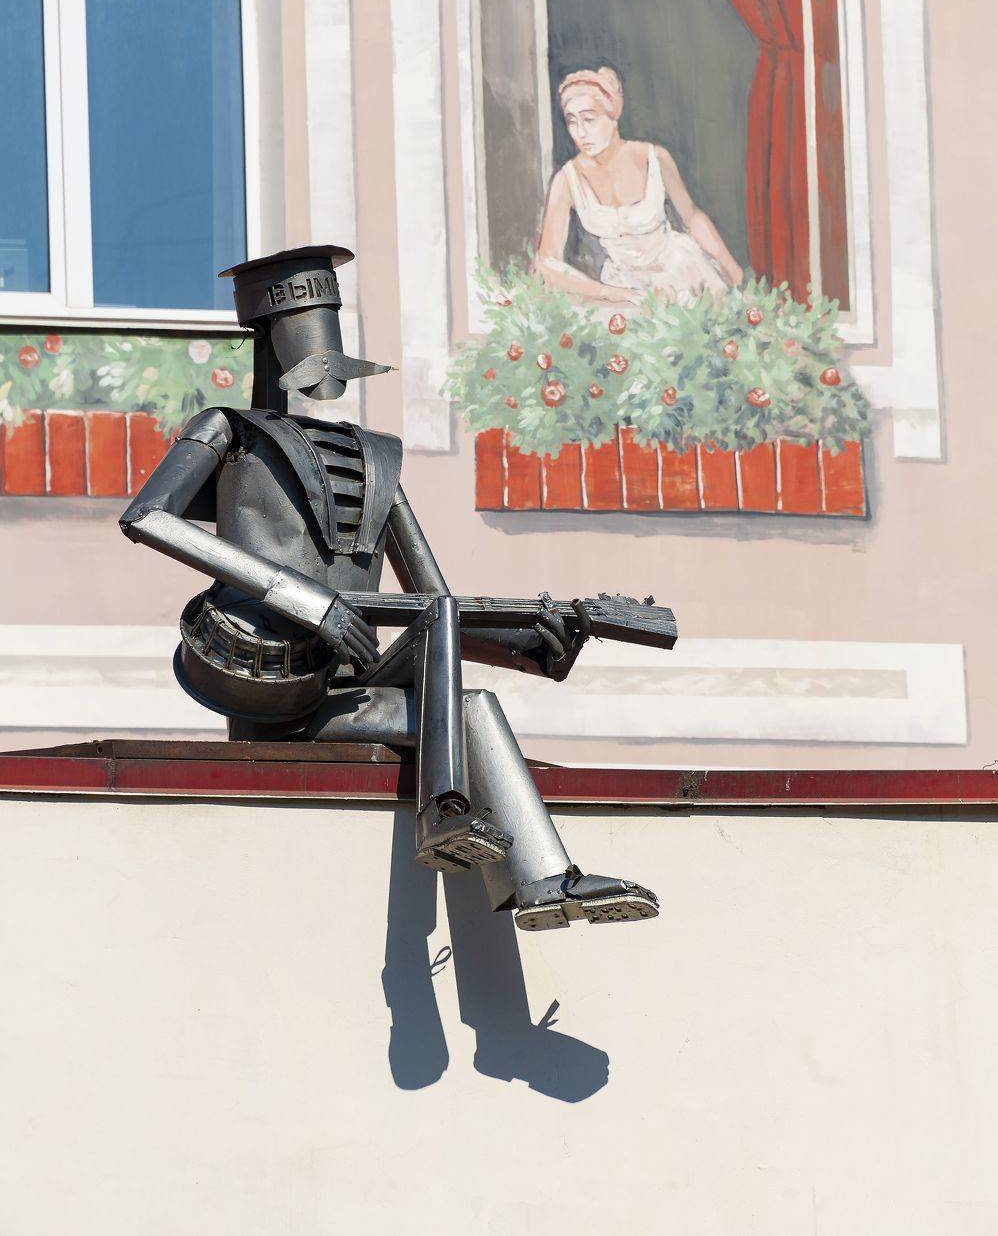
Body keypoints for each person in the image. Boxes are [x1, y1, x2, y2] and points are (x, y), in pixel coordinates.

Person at [117, 245, 662, 932]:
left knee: (469, 694)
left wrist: (538, 645)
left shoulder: (375, 456)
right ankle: (447, 813)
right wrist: (306, 600)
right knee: (461, 694)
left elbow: (436, 601)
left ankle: (544, 881)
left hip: (348, 688)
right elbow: (147, 515)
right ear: (268, 331)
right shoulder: (228, 431)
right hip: (270, 687)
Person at [536, 65, 743, 305]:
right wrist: (606, 292)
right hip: (622, 286)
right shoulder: (567, 179)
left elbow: (692, 217)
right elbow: (547, 261)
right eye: (572, 121)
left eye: (589, 119)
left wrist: (733, 271)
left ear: (613, 116)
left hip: (682, 274)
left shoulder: (654, 158)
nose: (580, 133)